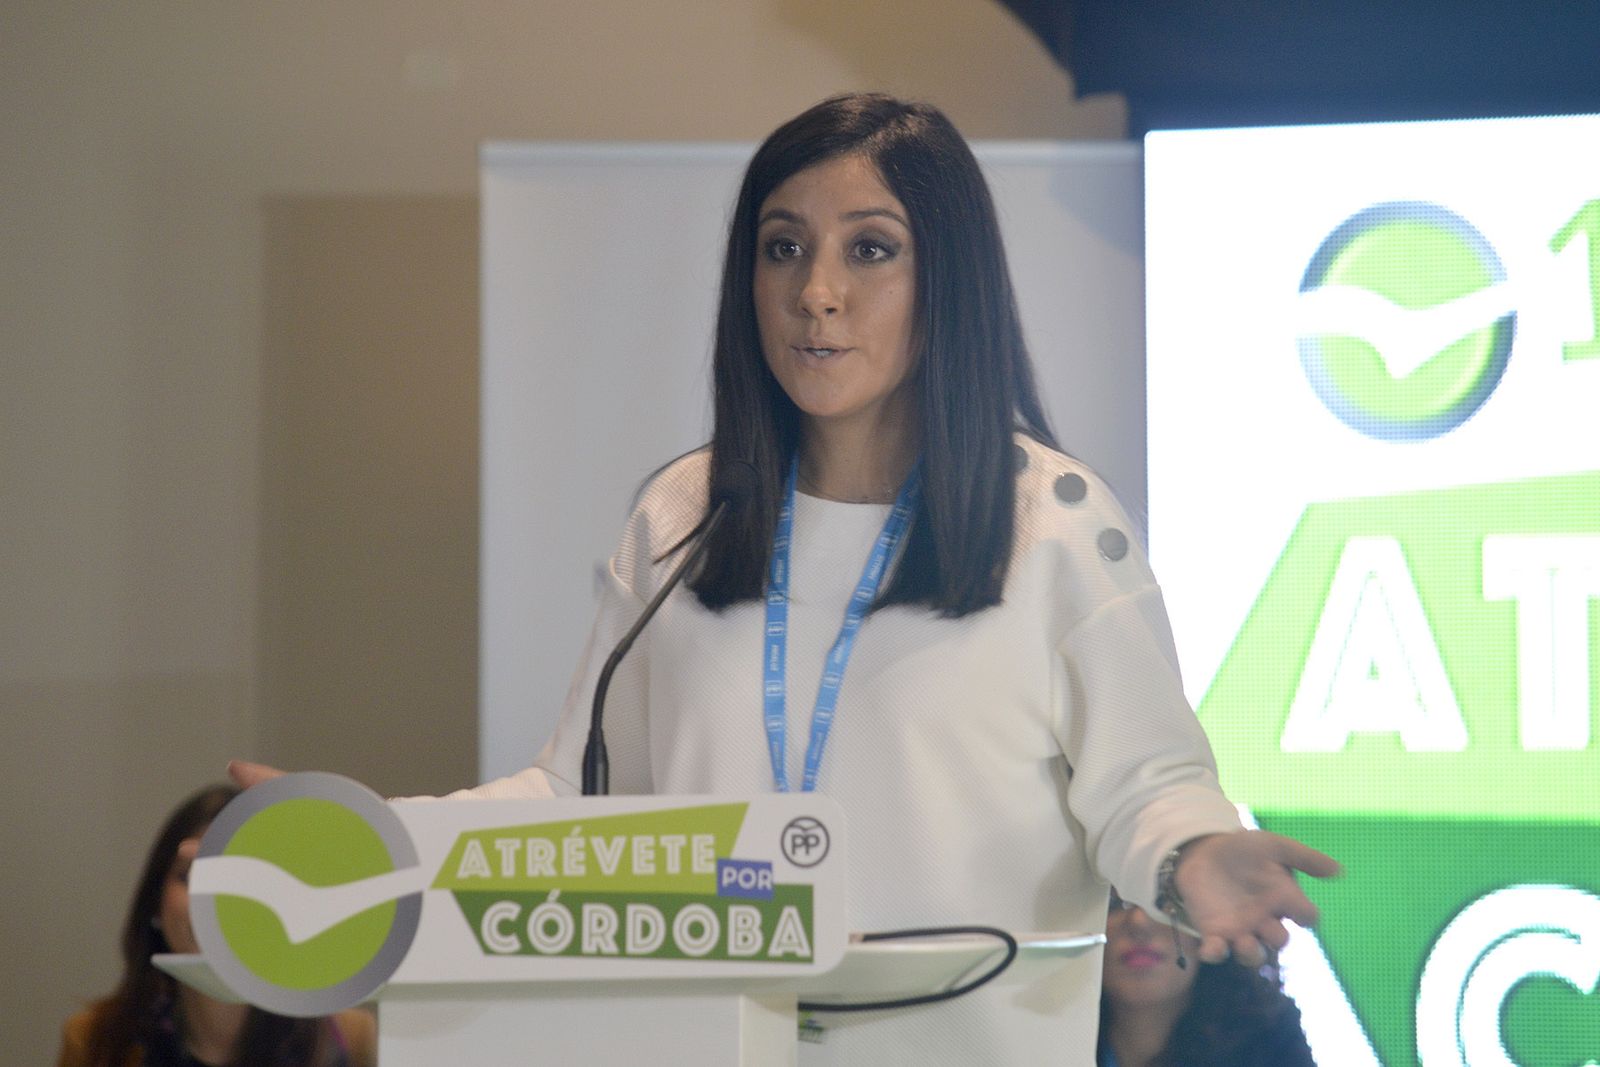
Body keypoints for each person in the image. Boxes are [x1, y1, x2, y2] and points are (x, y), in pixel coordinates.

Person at [234, 91, 1337, 1064]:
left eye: (870, 249)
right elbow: (581, 797)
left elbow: (1143, 782)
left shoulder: (1053, 522)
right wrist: (375, 840)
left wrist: (1194, 851)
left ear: (947, 278)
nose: (816, 292)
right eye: (782, 247)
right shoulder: (683, 514)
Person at [57, 784, 376, 1067]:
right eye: (191, 876)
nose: (214, 903)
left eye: (240, 882)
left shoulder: (349, 1039)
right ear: (155, 901)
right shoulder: (94, 1042)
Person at [1097, 890, 1315, 1067]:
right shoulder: (1074, 1037)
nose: (1139, 922)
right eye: (1115, 903)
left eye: (1165, 901)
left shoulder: (1271, 1038)